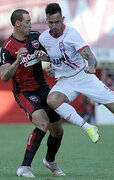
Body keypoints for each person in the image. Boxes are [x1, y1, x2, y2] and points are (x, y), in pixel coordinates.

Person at [35, 3, 114, 143]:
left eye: (57, 22)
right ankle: (88, 127)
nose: (54, 26)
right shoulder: (43, 38)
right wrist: (49, 64)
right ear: (46, 21)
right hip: (65, 81)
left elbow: (90, 55)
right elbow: (54, 57)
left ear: (63, 19)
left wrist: (92, 66)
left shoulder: (72, 34)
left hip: (83, 76)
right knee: (52, 100)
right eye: (51, 23)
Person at [0, 9, 65, 178]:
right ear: (18, 24)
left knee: (58, 131)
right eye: (27, 22)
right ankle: (24, 167)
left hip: (43, 88)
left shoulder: (36, 37)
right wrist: (17, 62)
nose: (31, 24)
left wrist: (48, 61)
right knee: (43, 124)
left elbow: (51, 56)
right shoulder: (7, 48)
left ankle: (50, 160)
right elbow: (4, 77)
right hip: (25, 92)